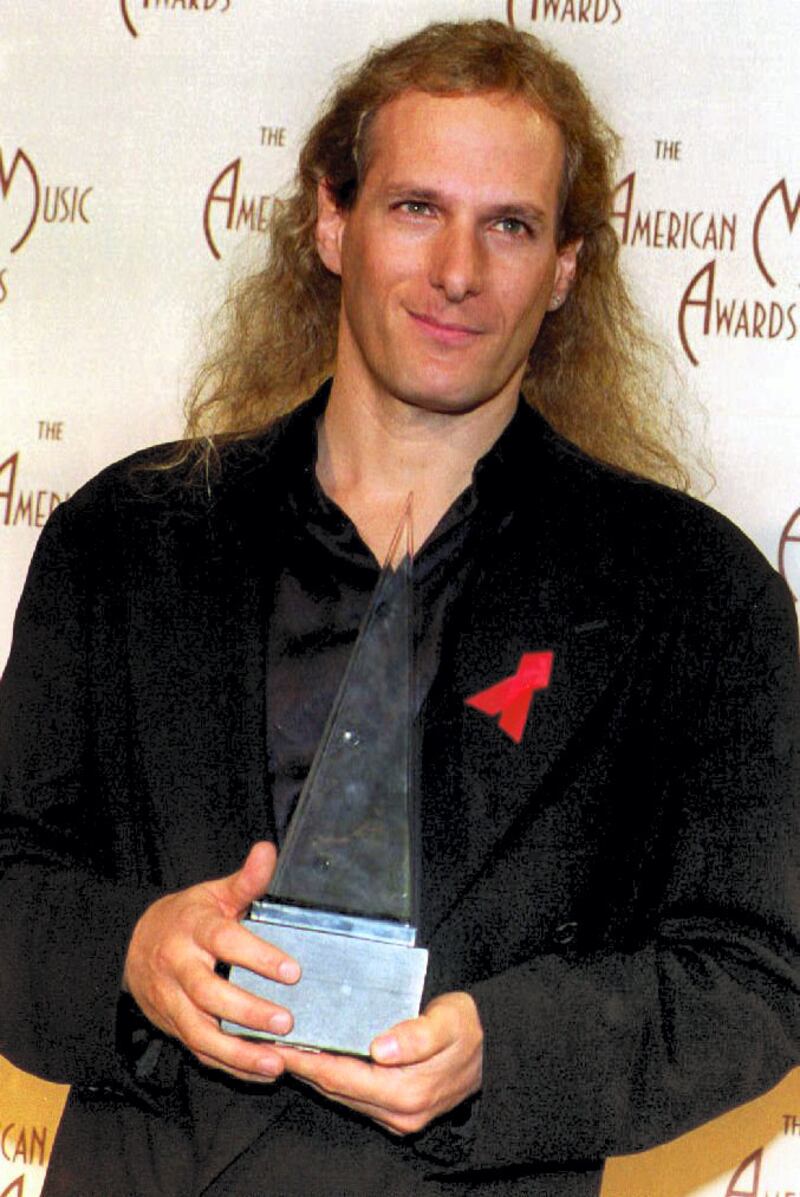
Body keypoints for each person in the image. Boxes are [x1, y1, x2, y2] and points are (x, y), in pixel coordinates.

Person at [1, 18, 798, 1197]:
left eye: (509, 224)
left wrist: (507, 1053)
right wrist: (128, 956)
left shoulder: (695, 594)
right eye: (416, 208)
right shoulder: (123, 539)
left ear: (567, 265)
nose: (457, 273)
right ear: (332, 222)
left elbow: (756, 974)